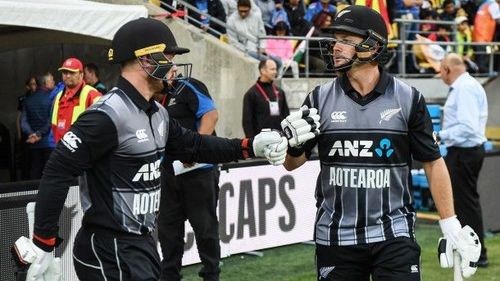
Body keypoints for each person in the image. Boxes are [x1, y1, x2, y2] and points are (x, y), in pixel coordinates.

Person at [11, 17, 299, 281]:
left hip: (143, 243)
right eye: (169, 58)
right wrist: (43, 242)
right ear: (145, 60)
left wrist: (248, 147)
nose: (174, 68)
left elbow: (194, 145)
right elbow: (58, 170)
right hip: (110, 248)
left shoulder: (158, 114)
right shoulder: (106, 115)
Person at [282, 6, 481, 280]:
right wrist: (293, 147)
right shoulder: (318, 99)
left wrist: (450, 223)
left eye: (346, 41)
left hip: (394, 232)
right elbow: (292, 164)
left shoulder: (409, 99)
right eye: (336, 39)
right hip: (336, 235)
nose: (335, 47)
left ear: (372, 46)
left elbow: (433, 162)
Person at [156, 77, 222, 281]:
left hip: (199, 171)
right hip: (168, 172)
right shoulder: (148, 95)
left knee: (205, 229)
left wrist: (195, 151)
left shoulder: (188, 85)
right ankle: (169, 276)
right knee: (168, 231)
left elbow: (211, 116)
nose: (173, 67)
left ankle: (211, 275)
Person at [438, 53, 489, 267]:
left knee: (466, 204)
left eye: (441, 70)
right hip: (465, 152)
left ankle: (477, 254)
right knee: (464, 202)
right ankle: (472, 250)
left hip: (464, 152)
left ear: (448, 69)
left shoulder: (464, 88)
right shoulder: (467, 86)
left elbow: (467, 127)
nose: (440, 75)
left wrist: (441, 135)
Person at [51, 57, 102, 143]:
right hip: (61, 151)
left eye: (72, 72)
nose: (67, 75)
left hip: (83, 153)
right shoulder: (59, 96)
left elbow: (101, 126)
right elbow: (55, 127)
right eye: (64, 72)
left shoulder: (92, 94)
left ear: (81, 75)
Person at [20, 73, 56, 179]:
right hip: (48, 142)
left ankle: (34, 194)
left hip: (34, 143)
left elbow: (23, 122)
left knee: (35, 170)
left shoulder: (28, 100)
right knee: (50, 173)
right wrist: (39, 134)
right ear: (44, 84)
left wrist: (32, 133)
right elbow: (51, 121)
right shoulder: (51, 99)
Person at [242, 58, 290, 138]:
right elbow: (247, 122)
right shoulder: (251, 94)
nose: (275, 72)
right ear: (263, 71)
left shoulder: (280, 92)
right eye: (272, 69)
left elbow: (286, 116)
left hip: (280, 139)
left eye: (276, 69)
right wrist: (252, 143)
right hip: (261, 140)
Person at [472, 0, 500, 73]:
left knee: (492, 53)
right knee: (484, 62)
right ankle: (489, 74)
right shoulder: (494, 5)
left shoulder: (485, 4)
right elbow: (498, 20)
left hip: (479, 38)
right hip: (484, 40)